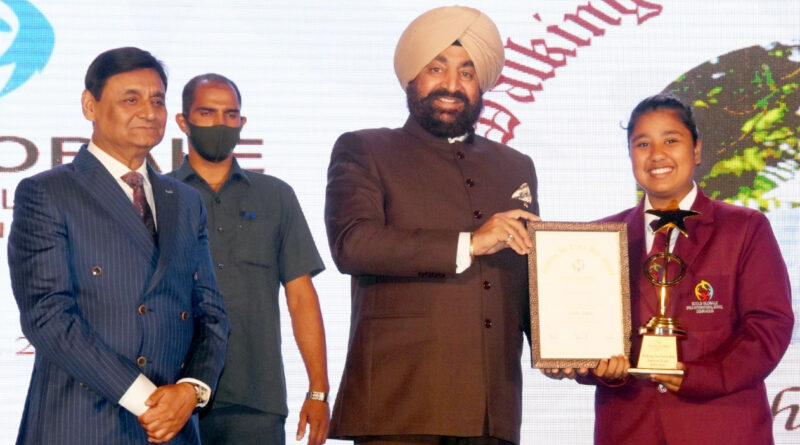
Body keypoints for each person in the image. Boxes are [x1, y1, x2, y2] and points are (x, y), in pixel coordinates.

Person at [324, 6, 540, 444]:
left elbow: (526, 273)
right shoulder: (365, 149)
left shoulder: (515, 165)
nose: (452, 85)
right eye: (436, 68)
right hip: (400, 404)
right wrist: (470, 243)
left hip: (491, 410)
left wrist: (565, 346)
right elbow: (353, 244)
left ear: (481, 84)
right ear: (412, 77)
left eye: (467, 72)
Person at [7, 47, 230, 444]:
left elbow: (211, 312)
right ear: (89, 105)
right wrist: (149, 402)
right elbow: (48, 316)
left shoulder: (185, 200)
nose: (149, 112)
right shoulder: (48, 192)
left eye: (157, 101)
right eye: (131, 99)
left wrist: (189, 391)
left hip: (171, 428)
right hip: (80, 423)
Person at [546, 94, 794, 444]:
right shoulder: (597, 241)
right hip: (629, 430)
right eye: (642, 144)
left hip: (722, 429)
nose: (657, 155)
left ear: (696, 149)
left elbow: (769, 327)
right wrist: (586, 365)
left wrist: (702, 376)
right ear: (629, 155)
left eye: (671, 140)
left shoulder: (744, 228)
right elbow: (585, 335)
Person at [170, 73, 329, 445]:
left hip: (257, 400)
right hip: (171, 396)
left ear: (242, 122)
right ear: (183, 121)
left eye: (230, 115)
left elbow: (301, 298)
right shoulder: (158, 195)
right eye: (207, 113)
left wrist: (318, 391)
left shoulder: (276, 196)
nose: (220, 124)